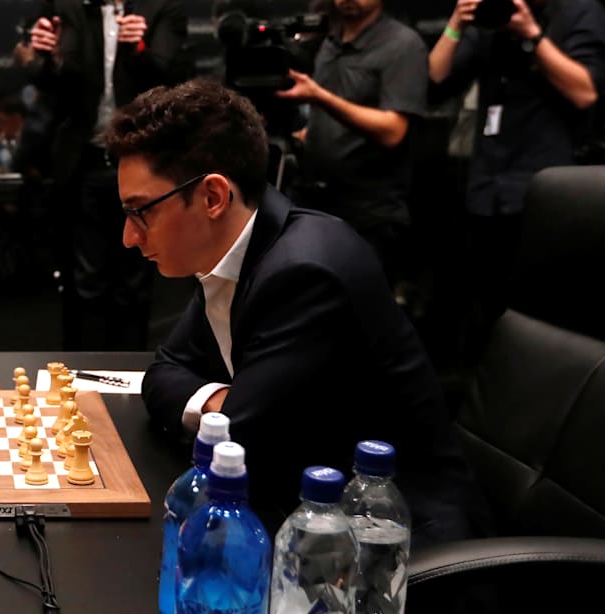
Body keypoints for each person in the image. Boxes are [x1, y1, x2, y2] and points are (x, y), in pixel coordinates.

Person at [117, 79, 483, 543]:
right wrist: (221, 403)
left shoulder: (304, 273)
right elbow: (164, 371)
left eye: (141, 211)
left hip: (392, 541)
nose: (129, 237)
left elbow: (238, 446)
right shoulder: (241, 251)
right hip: (303, 510)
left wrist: (228, 415)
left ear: (213, 197)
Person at [428, 0, 605, 357]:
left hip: (549, 193)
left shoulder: (579, 15)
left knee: (548, 313)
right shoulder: (490, 25)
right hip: (487, 190)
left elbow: (585, 91)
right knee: (491, 311)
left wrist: (532, 35)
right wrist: (456, 24)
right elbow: (435, 80)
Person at [29, 0, 189, 350]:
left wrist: (140, 46)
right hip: (85, 159)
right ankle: (77, 377)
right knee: (84, 283)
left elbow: (174, 76)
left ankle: (134, 376)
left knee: (135, 281)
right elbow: (55, 88)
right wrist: (47, 57)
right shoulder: (69, 1)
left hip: (145, 160)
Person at [277, 0, 428, 282]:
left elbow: (393, 130)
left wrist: (321, 98)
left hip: (369, 214)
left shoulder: (402, 45)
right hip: (314, 204)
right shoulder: (327, 42)